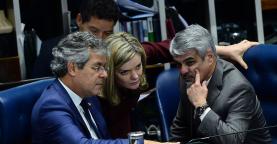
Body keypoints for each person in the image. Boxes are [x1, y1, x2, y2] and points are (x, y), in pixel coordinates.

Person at [31, 31, 180, 144]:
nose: (104, 74)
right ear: (73, 68)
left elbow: (105, 143)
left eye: (104, 67)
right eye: (97, 68)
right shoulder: (52, 106)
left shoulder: (88, 96)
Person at [31, 0, 258, 78]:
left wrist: (220, 50)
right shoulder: (53, 50)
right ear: (79, 20)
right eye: (93, 31)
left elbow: (165, 48)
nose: (100, 40)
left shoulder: (114, 48)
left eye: (107, 33)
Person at [169, 24, 271, 144]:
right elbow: (180, 130)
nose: (183, 70)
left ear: (210, 58)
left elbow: (232, 142)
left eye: (190, 62)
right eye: (179, 64)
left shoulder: (238, 88)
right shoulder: (188, 78)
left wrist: (201, 106)